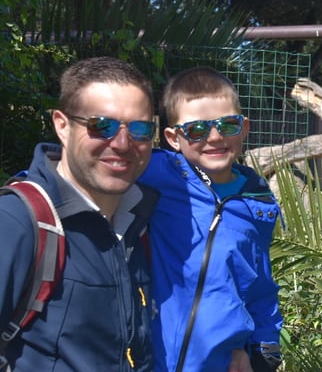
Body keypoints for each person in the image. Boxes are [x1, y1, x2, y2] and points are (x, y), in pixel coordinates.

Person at [0, 56, 158, 371]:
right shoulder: (17, 221)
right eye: (102, 126)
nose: (123, 144)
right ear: (62, 125)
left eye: (140, 129)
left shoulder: (140, 223)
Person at [139, 66, 283, 372]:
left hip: (221, 362)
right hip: (151, 357)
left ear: (244, 127)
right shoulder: (160, 173)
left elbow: (260, 285)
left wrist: (263, 348)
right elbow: (92, 168)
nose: (214, 137)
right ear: (173, 138)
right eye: (196, 130)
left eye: (227, 125)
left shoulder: (258, 204)